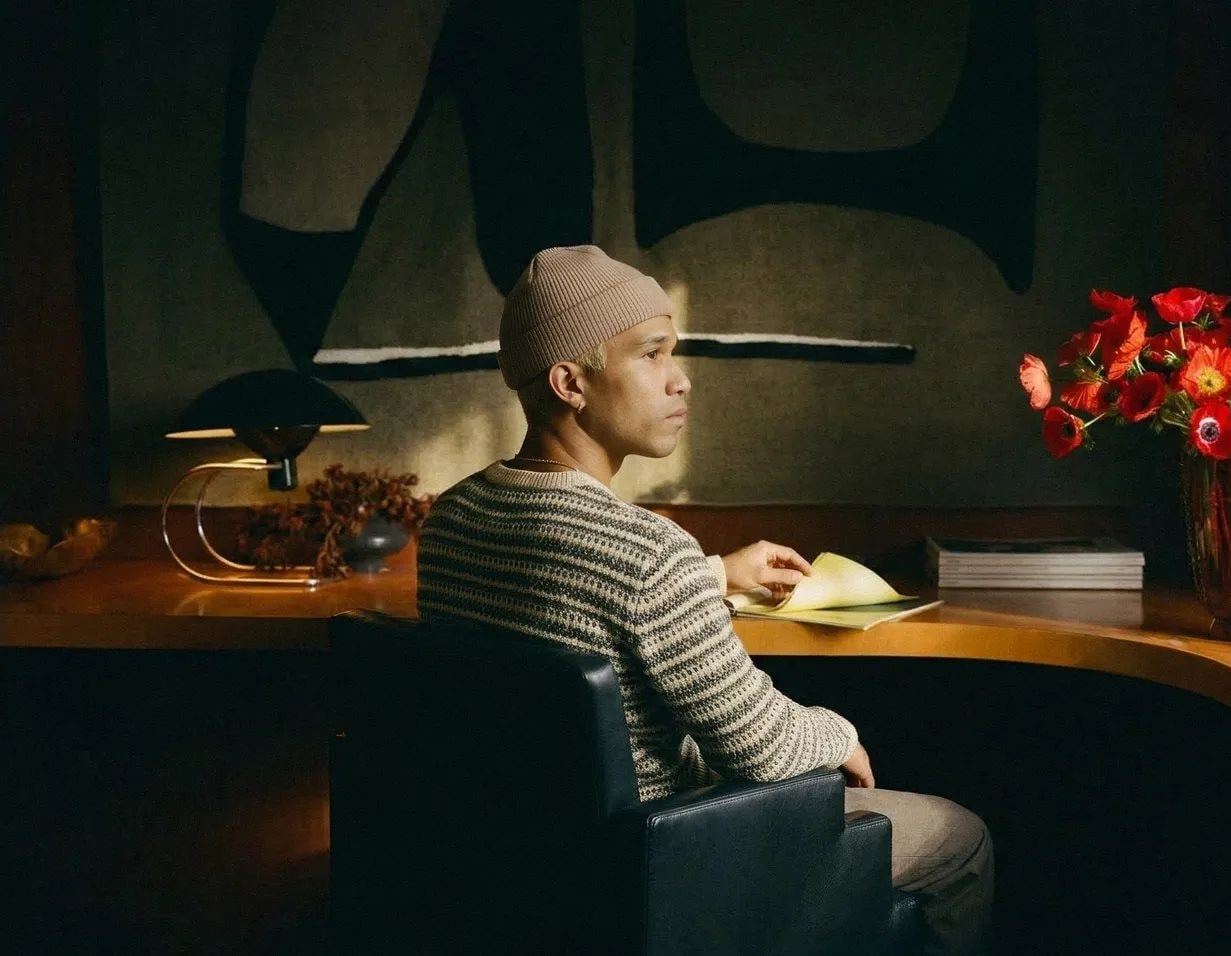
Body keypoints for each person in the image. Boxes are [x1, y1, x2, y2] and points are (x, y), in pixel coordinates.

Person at [417, 244, 993, 955]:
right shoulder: (649, 553)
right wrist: (840, 732)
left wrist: (713, 573)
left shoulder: (451, 520)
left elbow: (571, 597)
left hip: (523, 861)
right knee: (961, 837)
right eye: (651, 354)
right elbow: (765, 746)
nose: (680, 380)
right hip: (674, 856)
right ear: (571, 382)